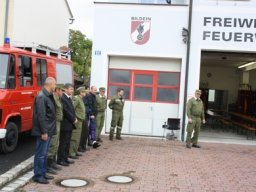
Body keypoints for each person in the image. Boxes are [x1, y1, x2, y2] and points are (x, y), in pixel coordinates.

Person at [31, 77, 56, 184]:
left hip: (49, 130)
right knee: (40, 154)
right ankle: (38, 175)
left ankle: (43, 173)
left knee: (44, 154)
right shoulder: (41, 96)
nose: (55, 86)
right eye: (55, 84)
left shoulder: (48, 96)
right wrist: (44, 132)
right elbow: (40, 116)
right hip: (44, 131)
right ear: (50, 84)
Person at [57, 83, 77, 166]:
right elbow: (65, 111)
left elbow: (71, 110)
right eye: (70, 89)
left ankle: (65, 158)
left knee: (67, 142)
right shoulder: (63, 98)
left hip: (69, 124)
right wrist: (73, 119)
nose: (72, 91)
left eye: (72, 89)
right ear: (65, 89)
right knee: (63, 142)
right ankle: (60, 159)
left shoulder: (69, 98)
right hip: (65, 124)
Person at [47, 84, 64, 175]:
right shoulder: (53, 98)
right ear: (57, 90)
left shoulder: (58, 98)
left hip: (58, 122)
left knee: (56, 143)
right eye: (62, 90)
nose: (63, 92)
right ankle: (48, 166)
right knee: (53, 143)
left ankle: (53, 162)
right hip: (54, 123)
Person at [69, 86, 86, 159]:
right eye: (84, 92)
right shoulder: (76, 98)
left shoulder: (81, 99)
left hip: (80, 120)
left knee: (78, 137)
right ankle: (71, 153)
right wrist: (74, 118)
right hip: (77, 120)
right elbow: (72, 108)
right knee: (74, 137)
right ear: (81, 92)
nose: (85, 93)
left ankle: (75, 151)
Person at [79, 85, 90, 152]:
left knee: (85, 132)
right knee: (82, 133)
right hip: (81, 117)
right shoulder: (79, 98)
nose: (86, 92)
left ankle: (83, 146)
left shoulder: (86, 97)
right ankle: (80, 147)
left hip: (85, 116)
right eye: (84, 91)